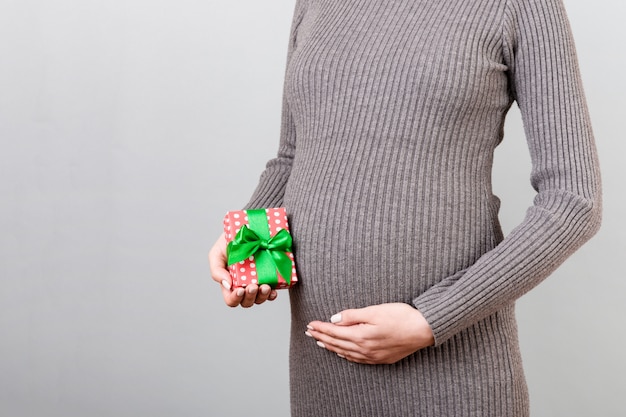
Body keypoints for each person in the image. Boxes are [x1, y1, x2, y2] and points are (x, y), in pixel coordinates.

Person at [209, 0, 602, 415]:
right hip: (321, 369)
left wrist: (430, 319)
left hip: (453, 371)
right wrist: (245, 245)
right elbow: (294, 154)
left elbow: (573, 200)